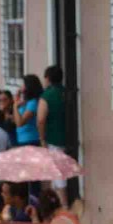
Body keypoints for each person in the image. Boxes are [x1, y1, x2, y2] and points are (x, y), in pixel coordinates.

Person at [38, 65, 68, 206]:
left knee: (57, 174)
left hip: (53, 139)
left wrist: (42, 138)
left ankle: (64, 206)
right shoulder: (66, 93)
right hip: (68, 137)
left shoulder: (47, 96)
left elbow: (41, 119)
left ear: (48, 78)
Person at [13, 75, 43, 147]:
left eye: (23, 84)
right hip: (22, 138)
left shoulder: (33, 103)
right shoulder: (26, 101)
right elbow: (16, 119)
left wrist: (15, 106)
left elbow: (20, 123)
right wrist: (16, 100)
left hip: (30, 139)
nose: (21, 86)